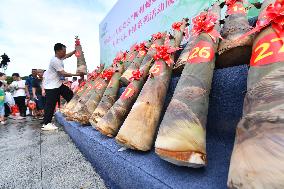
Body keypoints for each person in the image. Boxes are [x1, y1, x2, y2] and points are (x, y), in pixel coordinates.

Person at [42, 43, 84, 131]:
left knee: (70, 95)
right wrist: (76, 74)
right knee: (51, 104)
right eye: (63, 51)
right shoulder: (55, 61)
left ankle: (73, 112)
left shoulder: (60, 57)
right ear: (57, 51)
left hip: (58, 84)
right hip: (51, 86)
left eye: (65, 51)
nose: (65, 53)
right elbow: (63, 73)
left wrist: (74, 51)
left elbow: (67, 55)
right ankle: (46, 123)